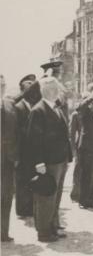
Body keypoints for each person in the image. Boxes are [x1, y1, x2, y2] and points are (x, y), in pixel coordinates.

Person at [25, 77, 72, 242]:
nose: (57, 92)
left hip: (60, 160)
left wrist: (68, 156)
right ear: (47, 91)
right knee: (46, 198)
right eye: (54, 89)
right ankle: (44, 232)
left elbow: (64, 135)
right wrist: (39, 163)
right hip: (48, 162)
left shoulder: (55, 108)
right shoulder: (38, 110)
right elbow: (33, 140)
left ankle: (52, 226)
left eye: (57, 89)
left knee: (56, 197)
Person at [14, 74, 41, 218]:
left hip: (33, 150)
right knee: (21, 180)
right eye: (28, 87)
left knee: (31, 177)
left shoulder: (35, 106)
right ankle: (21, 209)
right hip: (22, 150)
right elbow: (16, 131)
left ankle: (29, 207)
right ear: (23, 90)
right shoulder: (18, 107)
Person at [1, 85, 19, 242]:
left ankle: (3, 233)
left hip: (7, 160)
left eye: (2, 85)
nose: (1, 88)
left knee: (7, 196)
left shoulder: (9, 104)